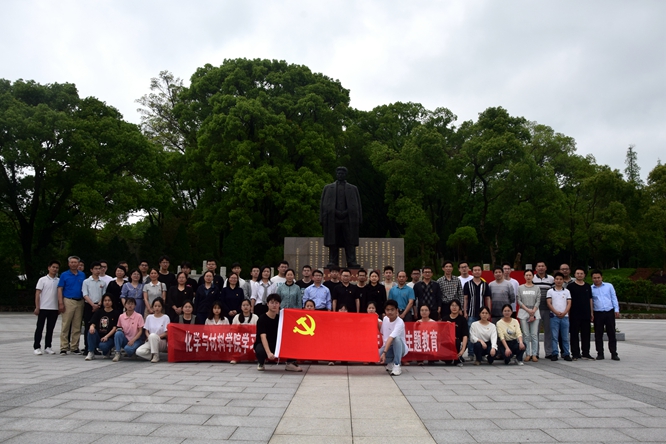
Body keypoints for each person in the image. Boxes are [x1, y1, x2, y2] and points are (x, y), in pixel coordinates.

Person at [320, 166, 362, 267]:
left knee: (350, 241)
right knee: (333, 241)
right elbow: (323, 205)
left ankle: (351, 261)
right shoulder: (328, 188)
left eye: (342, 173)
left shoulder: (353, 188)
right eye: (338, 173)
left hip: (348, 219)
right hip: (333, 219)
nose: (340, 175)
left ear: (345, 175)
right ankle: (333, 261)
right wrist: (323, 218)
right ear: (336, 174)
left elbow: (357, 205)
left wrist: (356, 217)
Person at [254, 293, 302, 372]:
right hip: (264, 344)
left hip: (277, 344)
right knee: (260, 350)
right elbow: (263, 337)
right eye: (272, 303)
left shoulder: (281, 318)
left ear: (279, 304)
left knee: (293, 342)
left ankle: (290, 363)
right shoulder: (262, 319)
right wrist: (269, 353)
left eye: (276, 303)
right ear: (267, 304)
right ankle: (261, 362)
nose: (274, 305)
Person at [58, 256, 87, 355]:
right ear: (68, 264)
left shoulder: (82, 275)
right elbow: (60, 289)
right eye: (72, 262)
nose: (73, 264)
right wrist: (60, 303)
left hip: (80, 301)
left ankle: (74, 346)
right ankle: (64, 347)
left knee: (77, 325)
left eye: (75, 262)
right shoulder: (64, 275)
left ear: (78, 264)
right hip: (68, 300)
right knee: (66, 324)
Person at [463, 265, 492, 359]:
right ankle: (471, 353)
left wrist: (489, 312)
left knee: (482, 333)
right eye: (475, 270)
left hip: (483, 313)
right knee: (471, 333)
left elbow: (487, 298)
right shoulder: (467, 284)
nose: (477, 272)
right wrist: (465, 311)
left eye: (478, 270)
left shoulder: (485, 284)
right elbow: (465, 298)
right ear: (472, 272)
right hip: (471, 313)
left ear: (481, 271)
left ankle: (481, 354)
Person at [590, 270, 620, 361]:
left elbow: (613, 297)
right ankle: (600, 353)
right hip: (598, 313)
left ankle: (614, 353)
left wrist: (616, 309)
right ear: (592, 279)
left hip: (609, 312)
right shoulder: (591, 288)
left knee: (611, 333)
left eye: (598, 277)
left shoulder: (609, 286)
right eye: (594, 278)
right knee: (598, 334)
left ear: (602, 277)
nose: (597, 279)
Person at [33, 260, 60, 355]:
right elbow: (37, 294)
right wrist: (37, 307)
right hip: (43, 307)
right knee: (40, 327)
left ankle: (48, 346)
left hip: (54, 308)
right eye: (53, 267)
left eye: (57, 268)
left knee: (50, 328)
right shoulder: (42, 280)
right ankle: (37, 346)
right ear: (49, 268)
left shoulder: (59, 281)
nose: (55, 269)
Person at [568, 267, 595, 360]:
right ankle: (575, 353)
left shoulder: (588, 286)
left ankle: (586, 353)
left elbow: (590, 300)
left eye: (581, 273)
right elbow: (568, 301)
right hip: (574, 314)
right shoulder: (570, 286)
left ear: (584, 275)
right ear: (574, 275)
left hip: (586, 314)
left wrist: (591, 312)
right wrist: (568, 313)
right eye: (578, 273)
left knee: (586, 334)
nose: (579, 275)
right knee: (574, 334)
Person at [82, 261, 108, 355]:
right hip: (89, 305)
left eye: (99, 268)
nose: (98, 270)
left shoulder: (103, 282)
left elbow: (104, 294)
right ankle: (87, 347)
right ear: (91, 270)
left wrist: (99, 304)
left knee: (98, 326)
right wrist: (93, 305)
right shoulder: (86, 281)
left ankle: (95, 347)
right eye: (96, 269)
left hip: (99, 306)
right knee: (88, 326)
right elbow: (85, 294)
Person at [547, 272, 572, 362]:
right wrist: (556, 312)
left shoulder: (567, 291)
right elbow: (549, 303)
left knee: (565, 337)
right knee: (554, 337)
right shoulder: (550, 291)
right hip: (554, 316)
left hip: (565, 317)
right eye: (557, 279)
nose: (559, 281)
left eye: (561, 279)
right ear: (554, 280)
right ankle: (555, 353)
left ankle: (566, 353)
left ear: (563, 280)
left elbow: (569, 303)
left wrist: (565, 312)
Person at [85, 294, 119, 360]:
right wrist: (92, 327)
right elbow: (93, 322)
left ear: (112, 302)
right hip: (99, 336)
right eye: (105, 300)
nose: (107, 302)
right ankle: (91, 352)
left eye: (109, 300)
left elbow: (115, 328)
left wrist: (106, 336)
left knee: (103, 346)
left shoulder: (116, 313)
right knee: (91, 332)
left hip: (109, 338)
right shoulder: (99, 312)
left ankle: (107, 351)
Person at [516, 270, 541, 362]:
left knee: (534, 334)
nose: (528, 277)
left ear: (533, 276)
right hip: (524, 311)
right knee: (526, 334)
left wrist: (533, 311)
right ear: (524, 276)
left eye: (530, 275)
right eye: (526, 275)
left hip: (535, 311)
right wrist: (527, 310)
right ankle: (527, 354)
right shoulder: (520, 288)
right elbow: (519, 300)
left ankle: (534, 354)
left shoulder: (537, 288)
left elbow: (538, 300)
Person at [379, 300, 407, 376]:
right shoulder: (385, 319)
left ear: (397, 310)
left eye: (392, 309)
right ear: (385, 311)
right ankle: (391, 362)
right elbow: (382, 331)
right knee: (376, 356)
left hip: (400, 348)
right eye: (387, 310)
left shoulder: (400, 322)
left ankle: (397, 365)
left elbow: (391, 337)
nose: (390, 312)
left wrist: (384, 353)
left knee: (396, 338)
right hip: (388, 346)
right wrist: (375, 319)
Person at [136, 297, 170, 362]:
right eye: (155, 306)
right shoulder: (149, 317)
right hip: (150, 340)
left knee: (153, 336)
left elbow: (166, 332)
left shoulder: (165, 317)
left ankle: (156, 356)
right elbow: (146, 331)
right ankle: (152, 355)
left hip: (161, 341)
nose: (157, 308)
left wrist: (155, 337)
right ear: (153, 307)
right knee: (139, 351)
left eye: (159, 306)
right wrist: (150, 338)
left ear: (162, 307)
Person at [533, 261, 554, 359]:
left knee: (548, 331)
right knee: (535, 331)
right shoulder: (533, 278)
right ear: (536, 268)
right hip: (536, 309)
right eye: (539, 266)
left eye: (542, 266)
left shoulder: (551, 279)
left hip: (548, 309)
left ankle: (549, 352)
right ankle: (535, 352)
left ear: (546, 268)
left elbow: (554, 292)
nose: (541, 268)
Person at [445, 299, 469, 367]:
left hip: (459, 342)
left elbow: (465, 335)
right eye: (452, 305)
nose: (454, 307)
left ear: (459, 308)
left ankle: (457, 359)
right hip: (447, 343)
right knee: (447, 361)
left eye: (456, 306)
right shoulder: (445, 319)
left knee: (456, 341)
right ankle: (450, 357)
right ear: (449, 307)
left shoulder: (462, 320)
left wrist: (463, 349)